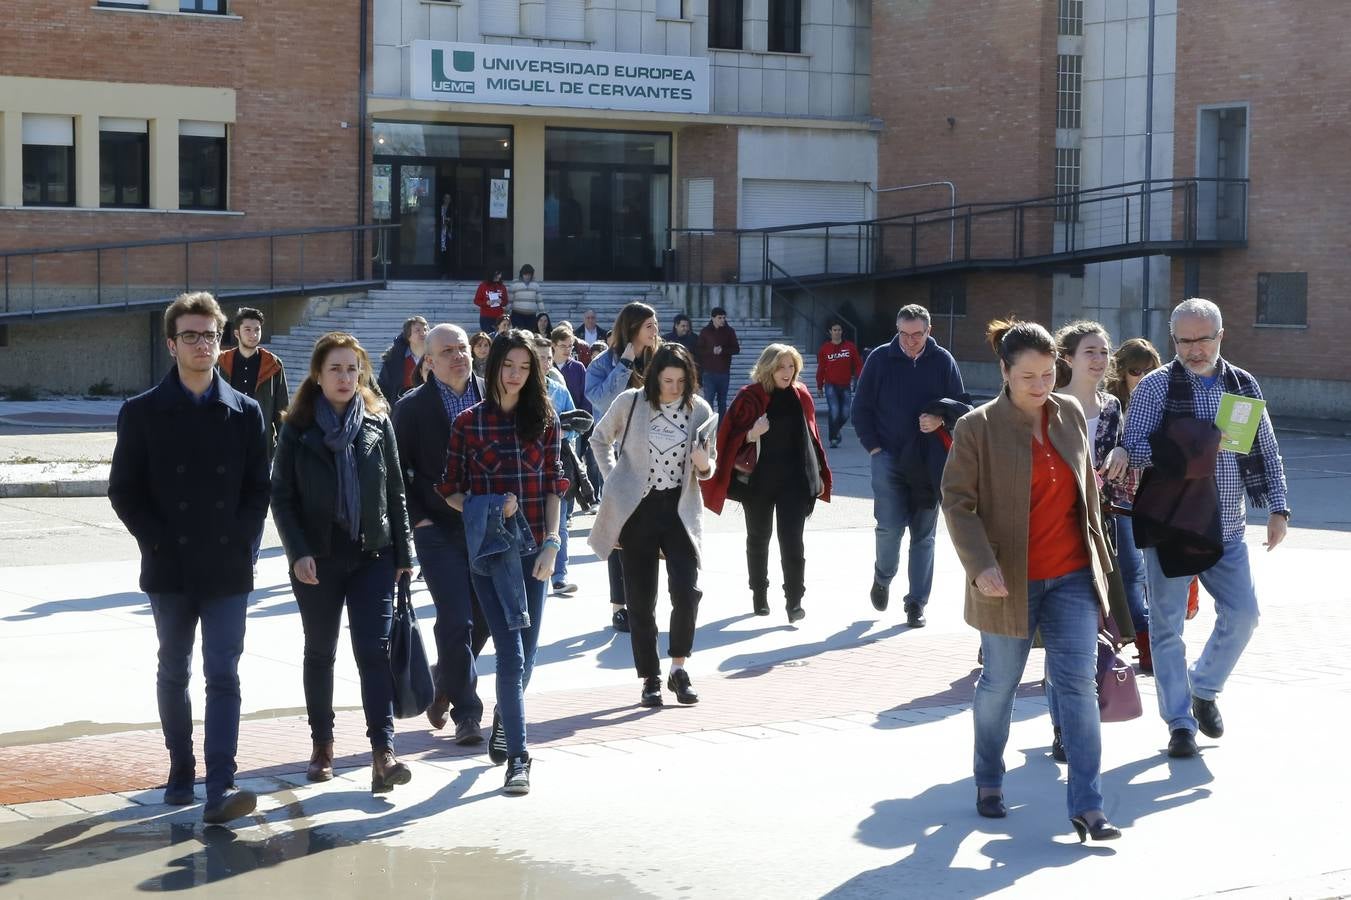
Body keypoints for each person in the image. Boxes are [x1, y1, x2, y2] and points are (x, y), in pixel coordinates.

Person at [941, 318, 1121, 843]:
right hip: (1007, 580)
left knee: (1078, 688)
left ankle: (1089, 806)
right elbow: (957, 502)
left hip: (1071, 576)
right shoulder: (976, 427)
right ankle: (989, 780)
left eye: (1048, 374)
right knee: (999, 686)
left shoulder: (1067, 414)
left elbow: (1084, 496)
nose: (1042, 387)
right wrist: (980, 564)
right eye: (1029, 377)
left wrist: (1104, 566)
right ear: (1004, 371)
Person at [108, 291, 268, 825]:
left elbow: (256, 490)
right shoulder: (141, 411)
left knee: (223, 673)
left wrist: (245, 540)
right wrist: (155, 540)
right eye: (192, 335)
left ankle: (222, 784)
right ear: (172, 343)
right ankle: (181, 767)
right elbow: (123, 491)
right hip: (170, 565)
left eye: (211, 335)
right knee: (174, 669)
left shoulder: (245, 412)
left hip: (227, 565)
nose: (203, 344)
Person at [1122, 298, 1290, 759]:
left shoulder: (1242, 384)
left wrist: (1279, 507)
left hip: (1228, 526)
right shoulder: (1157, 386)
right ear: (1172, 339)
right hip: (1172, 525)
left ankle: (1204, 688)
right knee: (1167, 627)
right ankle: (1179, 723)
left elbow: (1266, 448)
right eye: (1184, 340)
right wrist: (1188, 451)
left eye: (1204, 339)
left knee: (1244, 614)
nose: (1195, 350)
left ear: (1221, 336)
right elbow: (1134, 446)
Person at [271, 332, 415, 794]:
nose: (345, 377)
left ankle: (383, 753)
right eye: (335, 368)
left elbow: (396, 492)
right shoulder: (297, 426)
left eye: (353, 368)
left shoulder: (377, 421)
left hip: (372, 554)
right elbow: (282, 497)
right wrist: (298, 553)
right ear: (317, 374)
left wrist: (404, 555)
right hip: (318, 558)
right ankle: (323, 744)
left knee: (374, 653)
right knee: (321, 651)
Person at [440, 329, 568, 795]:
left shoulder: (546, 420)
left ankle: (503, 715)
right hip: (492, 556)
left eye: (524, 367)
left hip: (536, 552)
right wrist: (491, 506)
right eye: (508, 365)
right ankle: (519, 758)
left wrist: (554, 542)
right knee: (511, 657)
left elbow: (556, 486)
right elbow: (450, 490)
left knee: (527, 655)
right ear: (492, 366)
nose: (515, 375)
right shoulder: (468, 423)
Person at [590, 343, 717, 706]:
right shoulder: (631, 402)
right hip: (638, 509)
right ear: (654, 377)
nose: (674, 388)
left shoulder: (700, 410)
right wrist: (614, 478)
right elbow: (600, 440)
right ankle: (650, 678)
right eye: (667, 380)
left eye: (681, 381)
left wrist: (703, 463)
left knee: (687, 591)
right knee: (641, 602)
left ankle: (679, 668)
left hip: (679, 509)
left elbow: (710, 467)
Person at [392, 324, 488, 747]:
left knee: (486, 617)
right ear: (428, 361)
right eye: (447, 351)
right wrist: (417, 519)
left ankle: (443, 679)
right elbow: (396, 473)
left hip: (489, 526)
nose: (458, 356)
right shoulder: (412, 408)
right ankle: (468, 713)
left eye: (463, 347)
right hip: (438, 529)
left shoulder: (494, 395)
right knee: (456, 618)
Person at [1044, 320, 1134, 762]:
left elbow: (1118, 467)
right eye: (1090, 352)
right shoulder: (1051, 404)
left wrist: (1122, 452)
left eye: (1103, 352)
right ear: (1068, 359)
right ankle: (1062, 727)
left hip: (1101, 531)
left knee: (1088, 633)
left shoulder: (1113, 405)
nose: (1099, 360)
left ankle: (1077, 720)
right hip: (1056, 529)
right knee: (1061, 633)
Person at [852, 304, 969, 627]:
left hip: (930, 462)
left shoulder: (943, 360)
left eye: (917, 334)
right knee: (889, 527)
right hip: (888, 457)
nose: (910, 341)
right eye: (904, 334)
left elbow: (963, 407)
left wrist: (940, 419)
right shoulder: (880, 358)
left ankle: (916, 603)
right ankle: (883, 577)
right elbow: (860, 408)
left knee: (923, 535)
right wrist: (874, 448)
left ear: (928, 331)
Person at [703, 344, 832, 622]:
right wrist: (751, 434)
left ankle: (794, 601)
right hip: (758, 482)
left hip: (794, 482)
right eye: (781, 367)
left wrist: (819, 474)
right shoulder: (750, 397)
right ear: (768, 368)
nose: (788, 372)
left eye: (792, 367)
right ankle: (759, 595)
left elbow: (812, 439)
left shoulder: (801, 395)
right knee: (759, 539)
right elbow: (727, 437)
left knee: (793, 542)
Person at [585, 302, 662, 633]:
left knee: (655, 532)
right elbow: (601, 401)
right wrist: (626, 362)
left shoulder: (662, 359)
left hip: (658, 458)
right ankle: (620, 605)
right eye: (648, 325)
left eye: (656, 323)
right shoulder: (604, 362)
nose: (655, 330)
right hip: (618, 459)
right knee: (620, 534)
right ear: (632, 328)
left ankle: (647, 603)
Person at [1105, 336, 1165, 671]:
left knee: (1151, 576)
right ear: (1122, 371)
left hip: (1155, 500)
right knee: (1130, 571)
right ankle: (1143, 641)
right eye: (1134, 370)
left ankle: (1148, 639)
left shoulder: (1162, 400)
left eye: (1149, 369)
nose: (1142, 376)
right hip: (1120, 502)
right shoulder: (1113, 406)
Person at [217, 306, 290, 568]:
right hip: (225, 445)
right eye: (247, 329)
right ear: (236, 333)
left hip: (261, 447)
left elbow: (282, 409)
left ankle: (250, 558)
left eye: (257, 329)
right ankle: (227, 551)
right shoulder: (221, 362)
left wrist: (285, 443)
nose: (253, 333)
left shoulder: (273, 365)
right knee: (225, 500)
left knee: (256, 503)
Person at [816, 321, 862, 448]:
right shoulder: (825, 349)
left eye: (839, 330)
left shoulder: (850, 347)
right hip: (830, 385)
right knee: (834, 410)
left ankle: (836, 431)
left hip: (845, 385)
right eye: (834, 330)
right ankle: (834, 438)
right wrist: (819, 386)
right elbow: (821, 368)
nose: (837, 332)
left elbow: (858, 365)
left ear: (842, 332)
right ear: (830, 332)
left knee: (846, 413)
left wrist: (859, 378)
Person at [696, 307, 740, 416]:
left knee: (722, 402)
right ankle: (708, 425)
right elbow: (698, 350)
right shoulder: (705, 331)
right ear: (712, 318)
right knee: (708, 401)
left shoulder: (729, 331)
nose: (722, 320)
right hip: (708, 373)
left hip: (724, 373)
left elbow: (736, 349)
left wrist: (723, 350)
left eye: (724, 318)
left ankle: (721, 428)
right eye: (719, 318)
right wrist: (711, 350)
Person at [377, 315, 428, 402]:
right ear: (408, 336)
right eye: (417, 330)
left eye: (425, 330)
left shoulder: (436, 357)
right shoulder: (394, 361)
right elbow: (384, 388)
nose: (423, 333)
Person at [473, 269, 509, 335]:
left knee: (499, 337)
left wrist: (501, 302)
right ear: (491, 275)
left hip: (499, 317)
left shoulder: (502, 286)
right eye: (497, 275)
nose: (499, 276)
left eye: (500, 274)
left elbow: (506, 301)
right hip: (486, 317)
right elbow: (476, 300)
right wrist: (486, 303)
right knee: (488, 337)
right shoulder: (483, 286)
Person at [509, 264, 543, 329]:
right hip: (517, 315)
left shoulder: (536, 285)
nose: (527, 276)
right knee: (518, 336)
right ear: (522, 274)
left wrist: (543, 313)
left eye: (529, 275)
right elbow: (510, 301)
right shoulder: (515, 284)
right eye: (525, 274)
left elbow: (539, 301)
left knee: (530, 335)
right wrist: (506, 312)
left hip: (531, 316)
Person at [438, 193, 455, 280]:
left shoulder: (452, 209)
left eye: (449, 198)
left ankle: (449, 272)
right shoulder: (440, 208)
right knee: (442, 252)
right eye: (446, 198)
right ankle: (442, 272)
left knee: (449, 252)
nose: (447, 200)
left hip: (448, 233)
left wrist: (449, 221)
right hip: (441, 232)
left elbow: (452, 220)